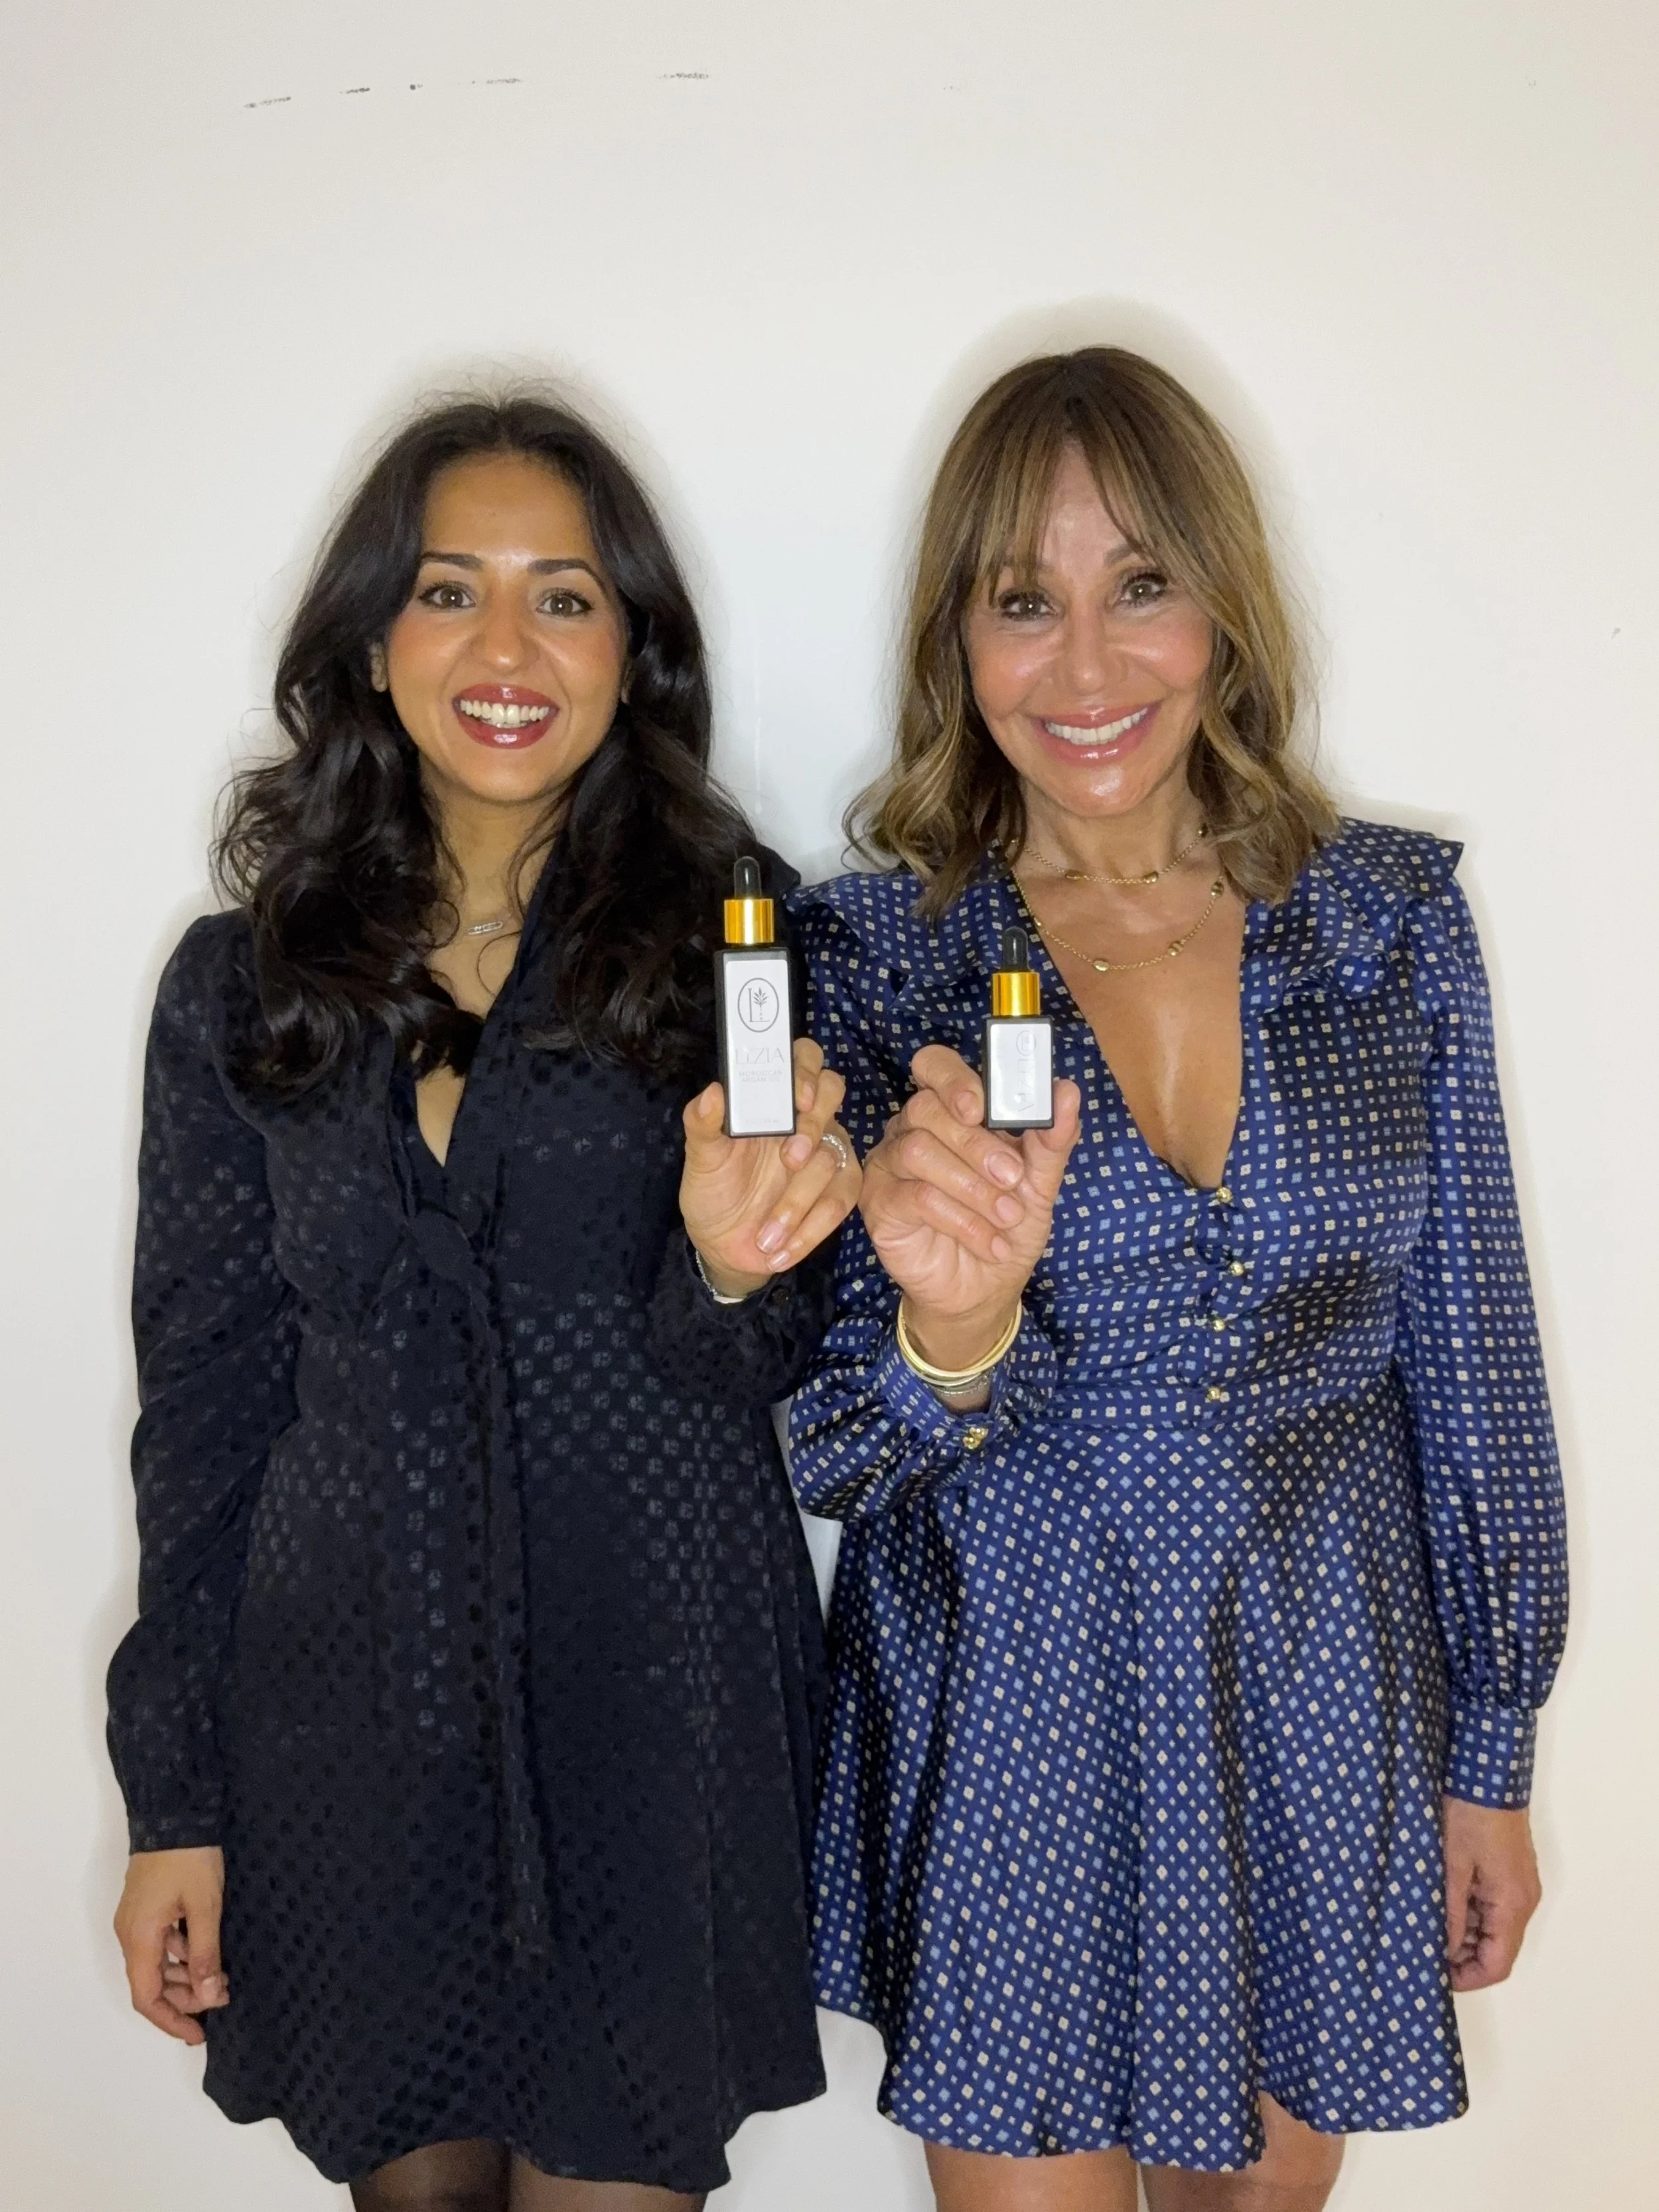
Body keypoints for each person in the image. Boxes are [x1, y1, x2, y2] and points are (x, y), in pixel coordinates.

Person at [787, 348, 1566, 2211]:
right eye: (1020, 600)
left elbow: (1467, 1357)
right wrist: (948, 1334)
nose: (1083, 667)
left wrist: (1492, 1741)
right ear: (952, 640)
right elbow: (827, 1441)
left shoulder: (1385, 925)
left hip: (1322, 1692)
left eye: (1139, 584)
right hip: (1012, 1700)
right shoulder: (875, 958)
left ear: (1221, 601)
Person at [108, 393, 860, 2210]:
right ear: (375, 640)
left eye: (567, 597)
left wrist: (731, 1265)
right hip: (349, 1724)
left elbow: (779, 1365)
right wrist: (175, 1793)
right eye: (452, 591)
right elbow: (205, 1409)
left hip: (655, 1701)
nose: (507, 648)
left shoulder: (743, 952)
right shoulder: (245, 985)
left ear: (634, 652)